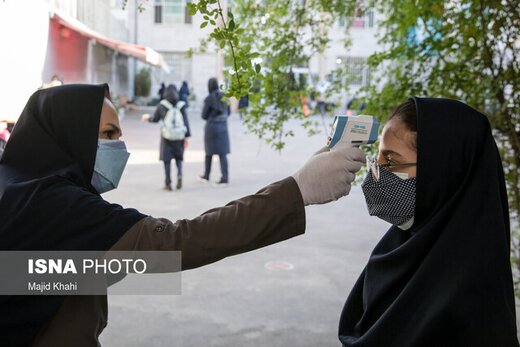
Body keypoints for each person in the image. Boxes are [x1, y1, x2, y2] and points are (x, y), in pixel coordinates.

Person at [0, 83, 365, 345]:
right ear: (71, 135)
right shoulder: (57, 204)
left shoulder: (17, 188)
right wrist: (297, 189)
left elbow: (49, 273)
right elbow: (178, 243)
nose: (120, 147)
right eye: (108, 134)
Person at [338, 98, 519, 346]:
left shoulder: (476, 304)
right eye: (378, 157)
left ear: (442, 172)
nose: (376, 172)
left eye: (391, 160)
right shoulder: (398, 247)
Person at [142, 84, 190, 190]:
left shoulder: (162, 105)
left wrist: (147, 117)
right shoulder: (181, 105)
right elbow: (186, 122)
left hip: (166, 137)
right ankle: (180, 175)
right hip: (179, 136)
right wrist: (187, 137)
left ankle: (168, 183)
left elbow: (155, 119)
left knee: (167, 160)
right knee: (178, 158)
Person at [199, 77, 231, 187]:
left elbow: (203, 115)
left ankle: (206, 176)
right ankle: (225, 178)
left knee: (209, 153)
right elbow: (229, 113)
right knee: (223, 154)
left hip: (211, 128)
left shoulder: (209, 99)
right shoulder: (225, 97)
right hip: (223, 127)